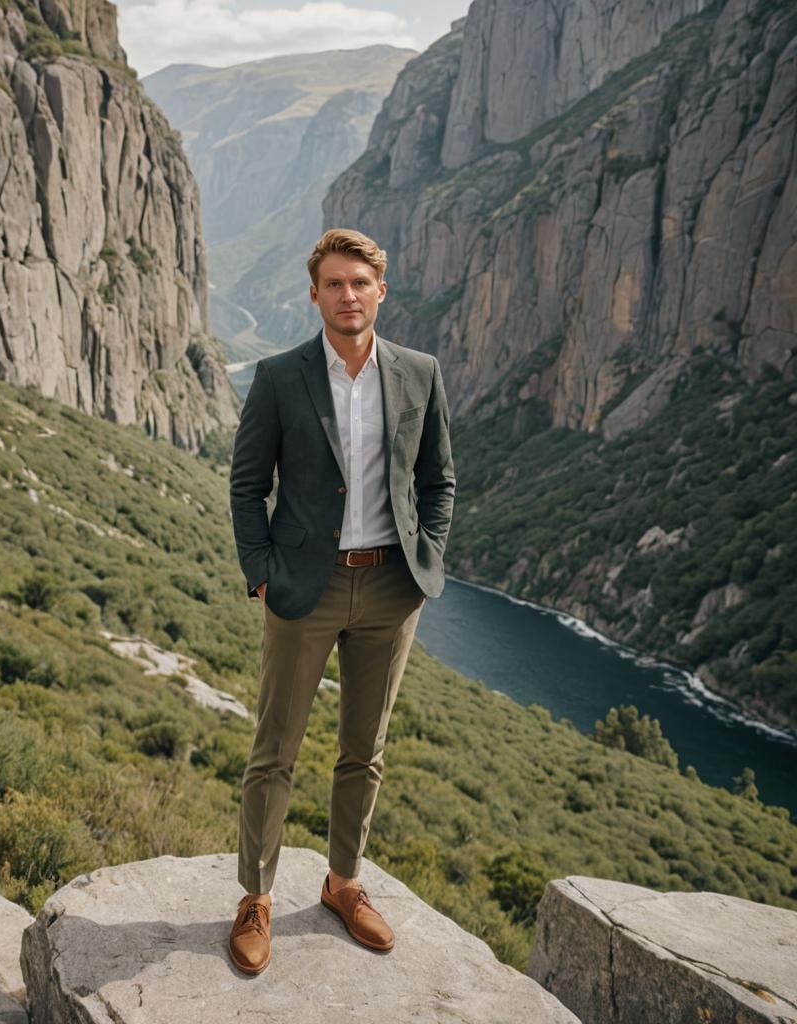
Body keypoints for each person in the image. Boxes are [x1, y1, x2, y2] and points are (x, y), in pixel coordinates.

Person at [227, 228, 456, 974]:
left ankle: (343, 882)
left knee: (366, 749)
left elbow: (439, 480)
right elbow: (246, 481)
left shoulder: (419, 373)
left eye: (360, 283)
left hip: (392, 585)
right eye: (334, 284)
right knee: (275, 750)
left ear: (380, 290)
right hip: (304, 586)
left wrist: (430, 554)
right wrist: (260, 568)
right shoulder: (278, 376)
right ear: (315, 294)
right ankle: (255, 898)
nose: (348, 295)